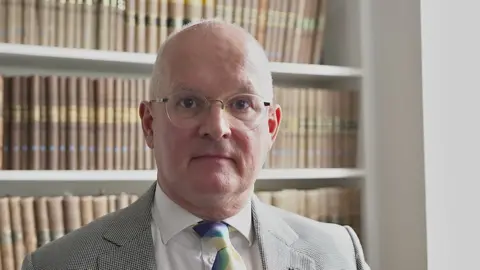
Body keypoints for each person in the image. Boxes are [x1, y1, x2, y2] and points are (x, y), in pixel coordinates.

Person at [22, 19, 370, 270]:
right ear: (149, 124)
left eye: (241, 104)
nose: (216, 128)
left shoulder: (337, 254)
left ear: (272, 127)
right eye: (188, 102)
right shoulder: (59, 264)